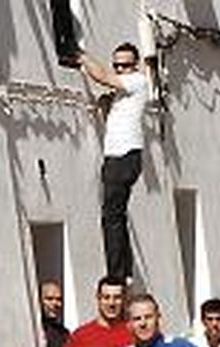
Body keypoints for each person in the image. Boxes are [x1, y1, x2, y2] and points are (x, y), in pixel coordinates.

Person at [76, 42, 150, 281]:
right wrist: (107, 107)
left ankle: (117, 273)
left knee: (111, 216)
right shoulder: (123, 94)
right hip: (119, 156)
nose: (120, 70)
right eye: (116, 65)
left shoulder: (137, 81)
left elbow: (101, 76)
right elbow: (114, 118)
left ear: (135, 65)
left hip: (122, 157)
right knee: (116, 215)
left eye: (125, 65)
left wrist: (80, 55)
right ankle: (124, 271)